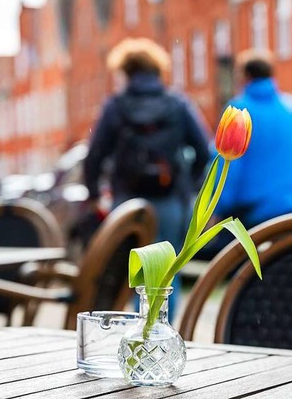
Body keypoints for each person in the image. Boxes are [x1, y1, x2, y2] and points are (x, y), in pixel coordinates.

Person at [83, 38, 209, 322]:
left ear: (125, 72)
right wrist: (189, 186)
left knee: (131, 267)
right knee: (168, 268)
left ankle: (138, 329)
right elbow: (203, 149)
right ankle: (165, 328)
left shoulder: (115, 107)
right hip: (171, 200)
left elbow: (95, 156)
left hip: (128, 200)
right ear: (157, 70)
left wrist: (94, 195)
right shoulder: (177, 104)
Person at [213, 49, 292, 230]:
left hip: (247, 214)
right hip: (289, 208)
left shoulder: (238, 110)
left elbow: (229, 164)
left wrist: (220, 207)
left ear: (245, 76)